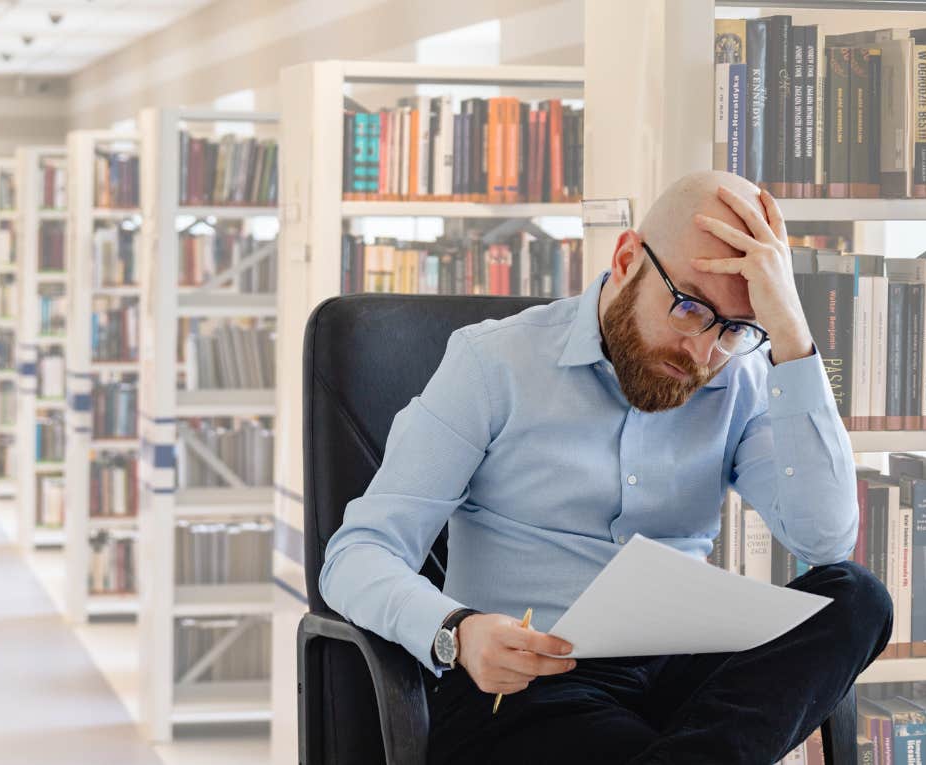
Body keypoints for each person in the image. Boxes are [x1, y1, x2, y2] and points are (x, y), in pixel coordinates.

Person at [320, 170, 892, 764]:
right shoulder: (492, 365)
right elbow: (356, 556)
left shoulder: (741, 377)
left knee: (857, 598)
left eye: (735, 328)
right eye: (691, 308)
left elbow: (824, 539)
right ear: (626, 260)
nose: (702, 352)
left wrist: (791, 338)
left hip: (680, 676)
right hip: (528, 688)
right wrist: (456, 631)